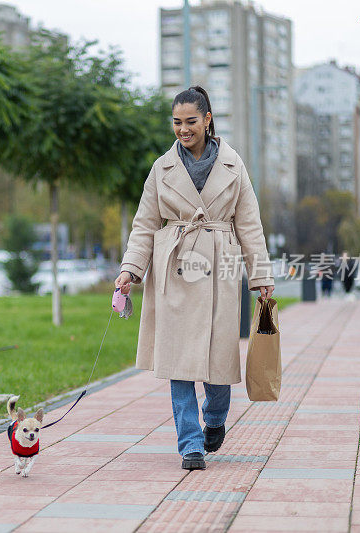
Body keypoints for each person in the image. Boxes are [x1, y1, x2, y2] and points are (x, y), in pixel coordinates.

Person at [114, 86, 274, 471]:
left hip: (220, 266)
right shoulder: (161, 168)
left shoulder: (234, 166)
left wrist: (261, 276)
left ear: (207, 119)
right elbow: (144, 224)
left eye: (190, 121)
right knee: (178, 361)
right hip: (174, 269)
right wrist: (130, 269)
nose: (183, 130)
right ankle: (189, 444)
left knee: (219, 363)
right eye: (176, 122)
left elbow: (249, 224)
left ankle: (215, 419)